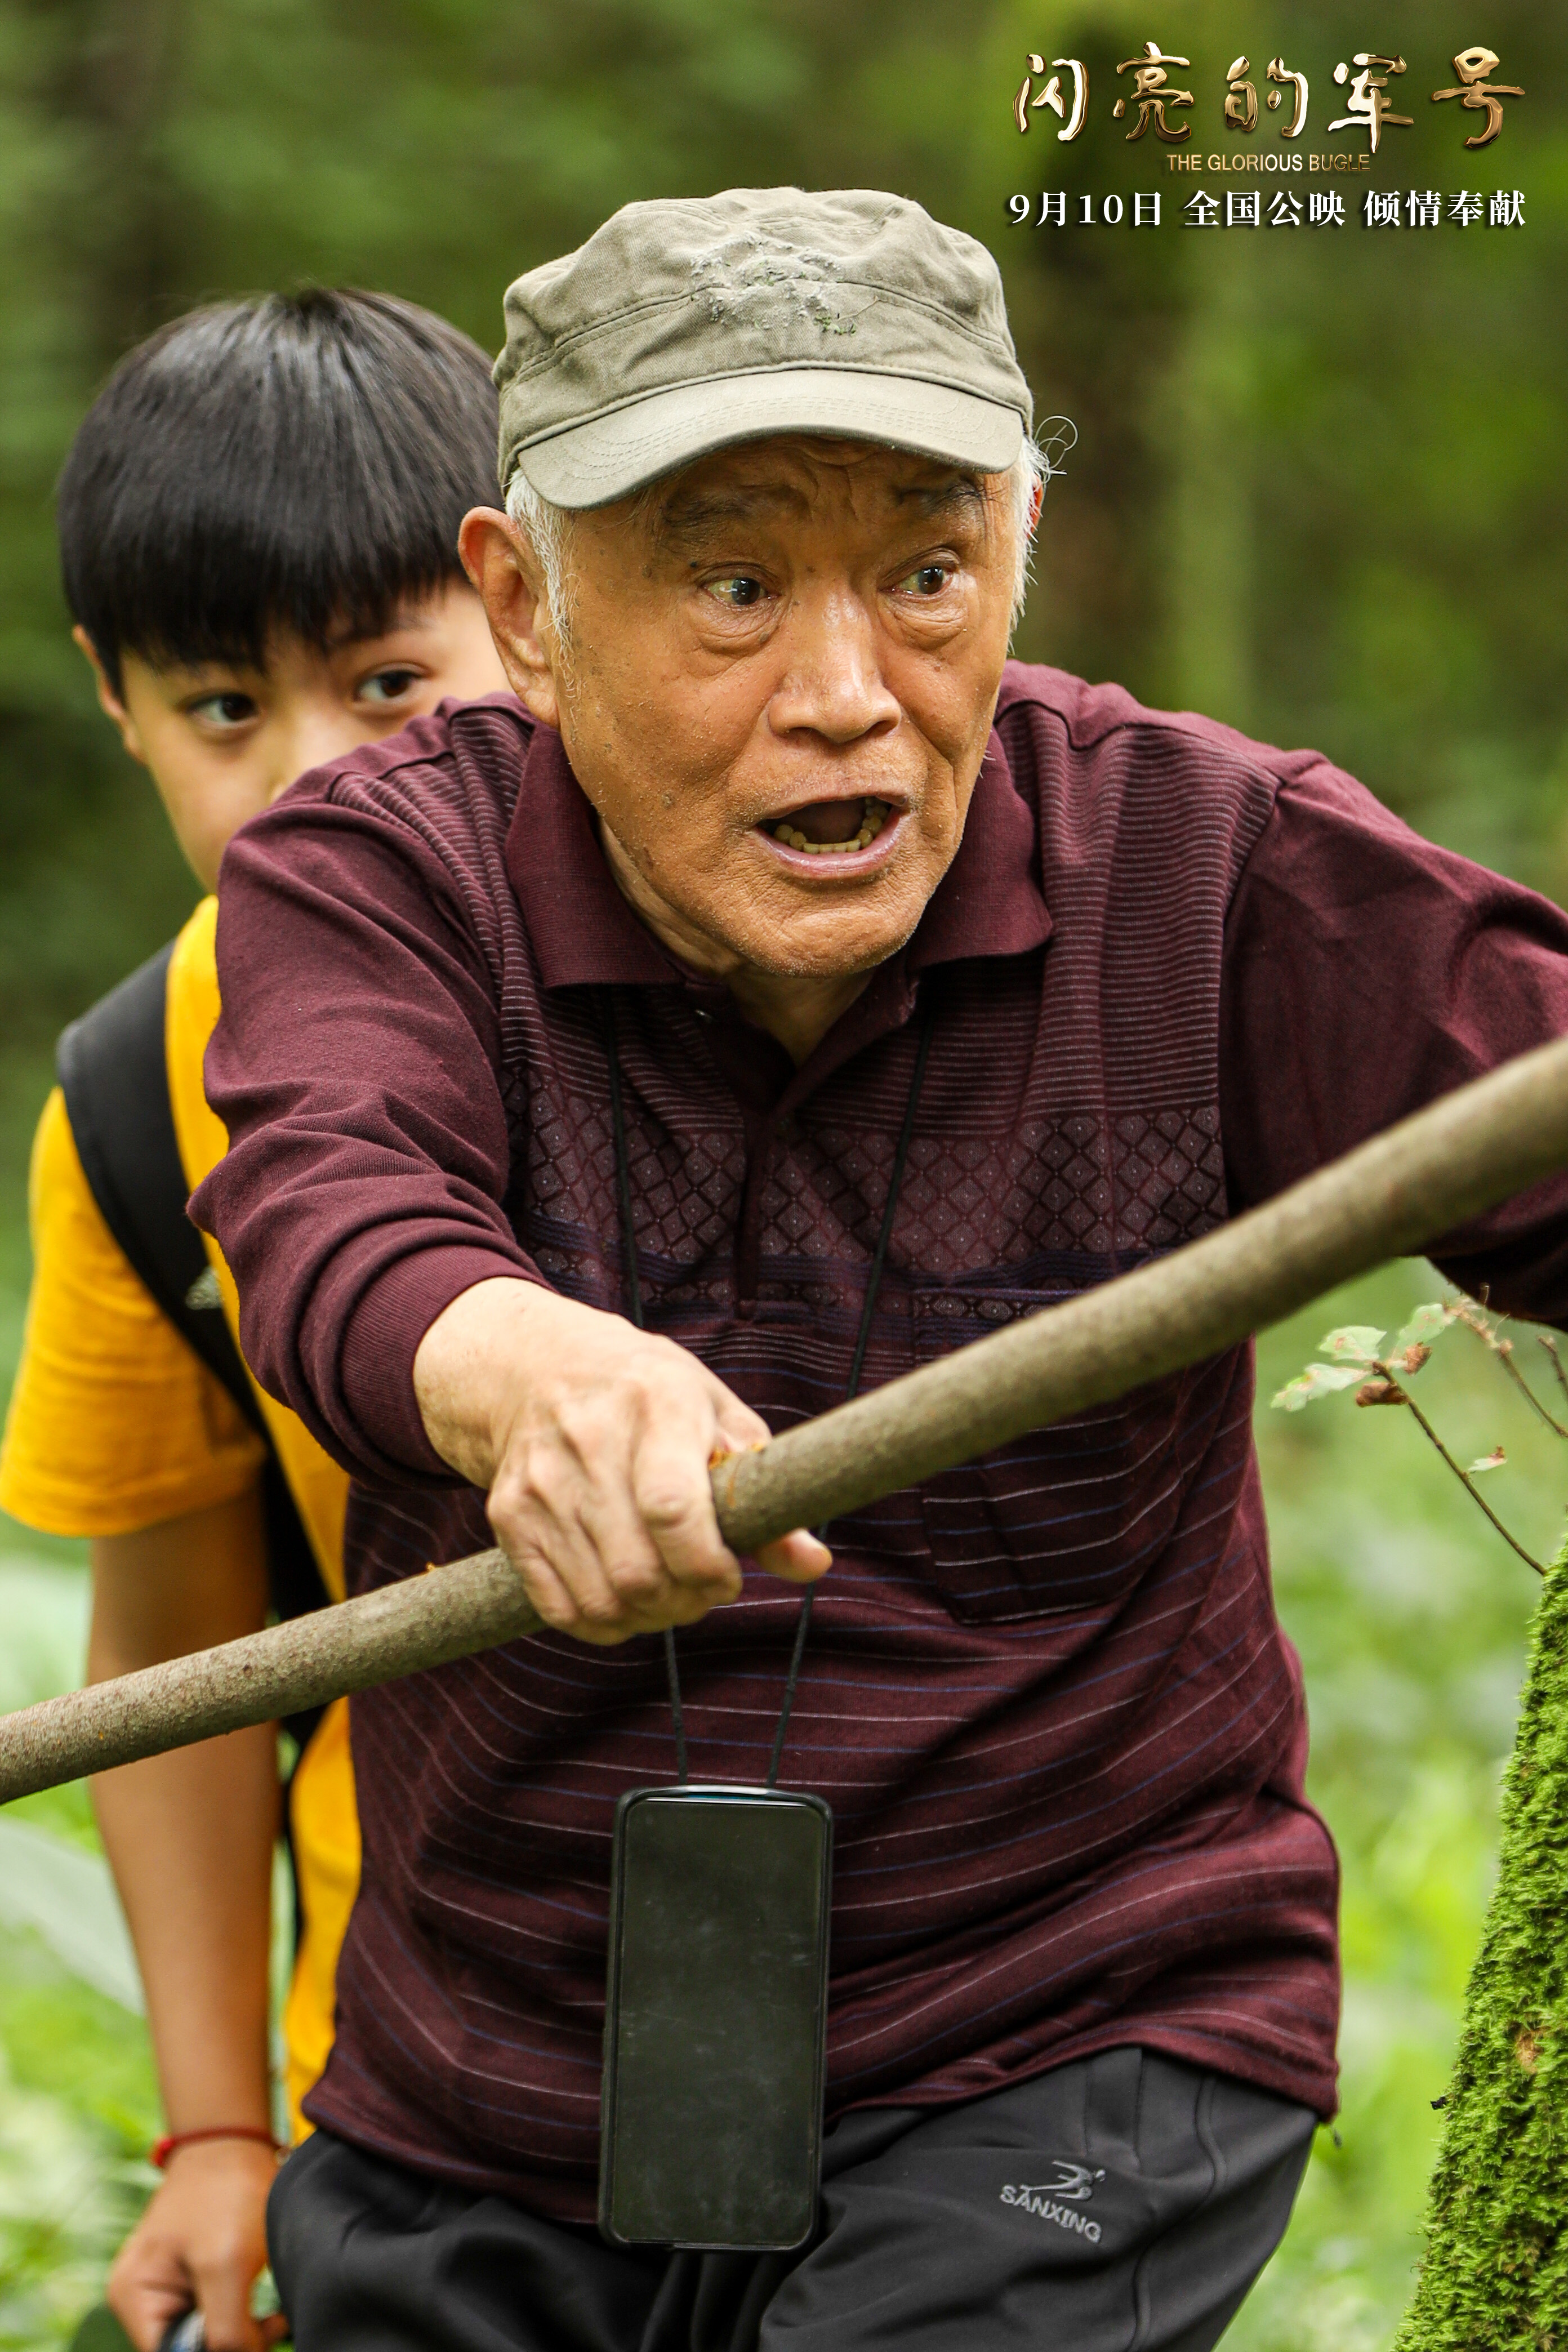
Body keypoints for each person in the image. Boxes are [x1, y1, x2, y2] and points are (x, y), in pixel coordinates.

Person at [193, 188, 1568, 2352]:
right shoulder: (379, 879)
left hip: (1068, 2033)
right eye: (734, 587)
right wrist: (523, 1365)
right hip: (489, 2095)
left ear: (1020, 549)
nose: (846, 697)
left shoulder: (1212, 872)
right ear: (524, 607)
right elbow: (332, 1195)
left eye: (927, 575)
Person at [0, 287, 509, 2352]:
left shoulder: (722, 955)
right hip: (405, 2076)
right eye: (224, 708)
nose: (313, 776)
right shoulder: (140, 1105)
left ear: (532, 609)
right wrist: (221, 2131)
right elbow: (176, 1660)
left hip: (909, 2019)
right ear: (114, 703)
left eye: (390, 685)